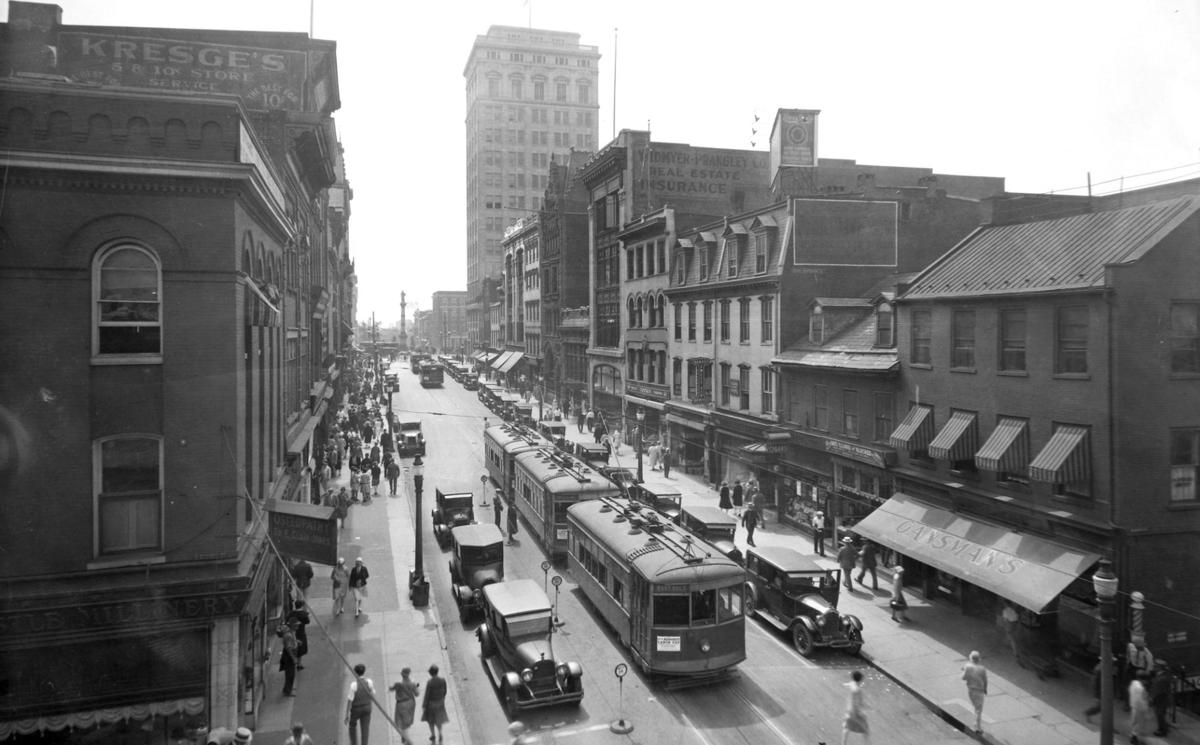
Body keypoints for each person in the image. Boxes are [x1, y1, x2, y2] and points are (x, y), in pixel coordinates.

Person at [345, 663, 375, 745]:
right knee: (365, 728)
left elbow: (350, 700)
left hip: (356, 709)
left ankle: (354, 742)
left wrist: (347, 714)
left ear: (355, 673)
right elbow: (372, 695)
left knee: (352, 725)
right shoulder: (369, 682)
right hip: (367, 708)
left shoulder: (353, 685)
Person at [388, 667, 420, 745]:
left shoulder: (398, 683)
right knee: (406, 721)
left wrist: (390, 687)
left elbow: (391, 689)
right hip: (411, 703)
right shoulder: (412, 683)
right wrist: (416, 686)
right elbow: (417, 694)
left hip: (401, 704)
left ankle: (408, 741)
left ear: (402, 675)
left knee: (401, 722)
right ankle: (405, 738)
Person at [962, 650, 988, 734]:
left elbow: (964, 678)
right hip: (979, 691)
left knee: (976, 707)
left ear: (971, 658)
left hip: (971, 690)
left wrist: (964, 671)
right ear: (978, 659)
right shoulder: (982, 669)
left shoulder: (968, 667)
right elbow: (985, 680)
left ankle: (976, 722)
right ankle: (978, 727)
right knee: (979, 709)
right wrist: (985, 689)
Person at [422, 664, 449, 744]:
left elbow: (427, 695)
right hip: (440, 703)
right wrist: (442, 698)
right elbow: (445, 691)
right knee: (439, 720)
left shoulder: (430, 682)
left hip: (431, 704)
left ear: (431, 673)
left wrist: (424, 705)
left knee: (431, 721)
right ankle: (440, 734)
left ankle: (433, 735)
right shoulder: (443, 680)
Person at [841, 670, 870, 745]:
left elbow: (847, 684)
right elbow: (858, 703)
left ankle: (843, 743)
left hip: (849, 712)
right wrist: (864, 710)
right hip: (855, 713)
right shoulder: (858, 690)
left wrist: (844, 685)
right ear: (860, 680)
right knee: (865, 730)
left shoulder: (851, 684)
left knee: (847, 727)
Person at [1125, 635, 1154, 707]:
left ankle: (1143, 702)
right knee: (1128, 686)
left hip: (1141, 669)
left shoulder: (1147, 653)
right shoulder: (1130, 646)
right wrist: (1128, 662)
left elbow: (1150, 664)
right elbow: (1128, 653)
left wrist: (1145, 672)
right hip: (1132, 668)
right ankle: (1128, 704)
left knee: (1142, 687)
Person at [286, 600, 310, 670]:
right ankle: (299, 664)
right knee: (300, 649)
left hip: (292, 633)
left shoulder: (291, 613)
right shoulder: (303, 614)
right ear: (301, 606)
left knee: (293, 648)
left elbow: (287, 621)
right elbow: (307, 621)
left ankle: (293, 662)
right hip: (301, 633)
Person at [1150, 661, 1173, 737]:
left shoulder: (1162, 678)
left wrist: (1152, 698)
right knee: (1160, 714)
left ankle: (1163, 731)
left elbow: (1157, 690)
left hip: (1161, 699)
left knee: (1160, 715)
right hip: (1160, 699)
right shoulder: (1161, 675)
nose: (1153, 667)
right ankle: (1162, 728)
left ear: (1159, 667)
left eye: (1155, 666)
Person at [1129, 670, 1151, 744]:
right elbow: (1141, 701)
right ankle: (1134, 738)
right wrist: (1146, 711)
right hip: (1139, 708)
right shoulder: (1141, 688)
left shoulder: (1133, 683)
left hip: (1133, 705)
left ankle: (1134, 736)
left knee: (1134, 722)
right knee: (1138, 724)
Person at [279, 618, 299, 696]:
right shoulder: (288, 635)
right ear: (293, 626)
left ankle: (288, 688)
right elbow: (289, 648)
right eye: (296, 625)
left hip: (291, 655)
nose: (298, 627)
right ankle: (287, 691)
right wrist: (293, 658)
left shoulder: (292, 632)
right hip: (289, 657)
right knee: (290, 674)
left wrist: (297, 642)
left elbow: (292, 642)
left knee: (291, 673)